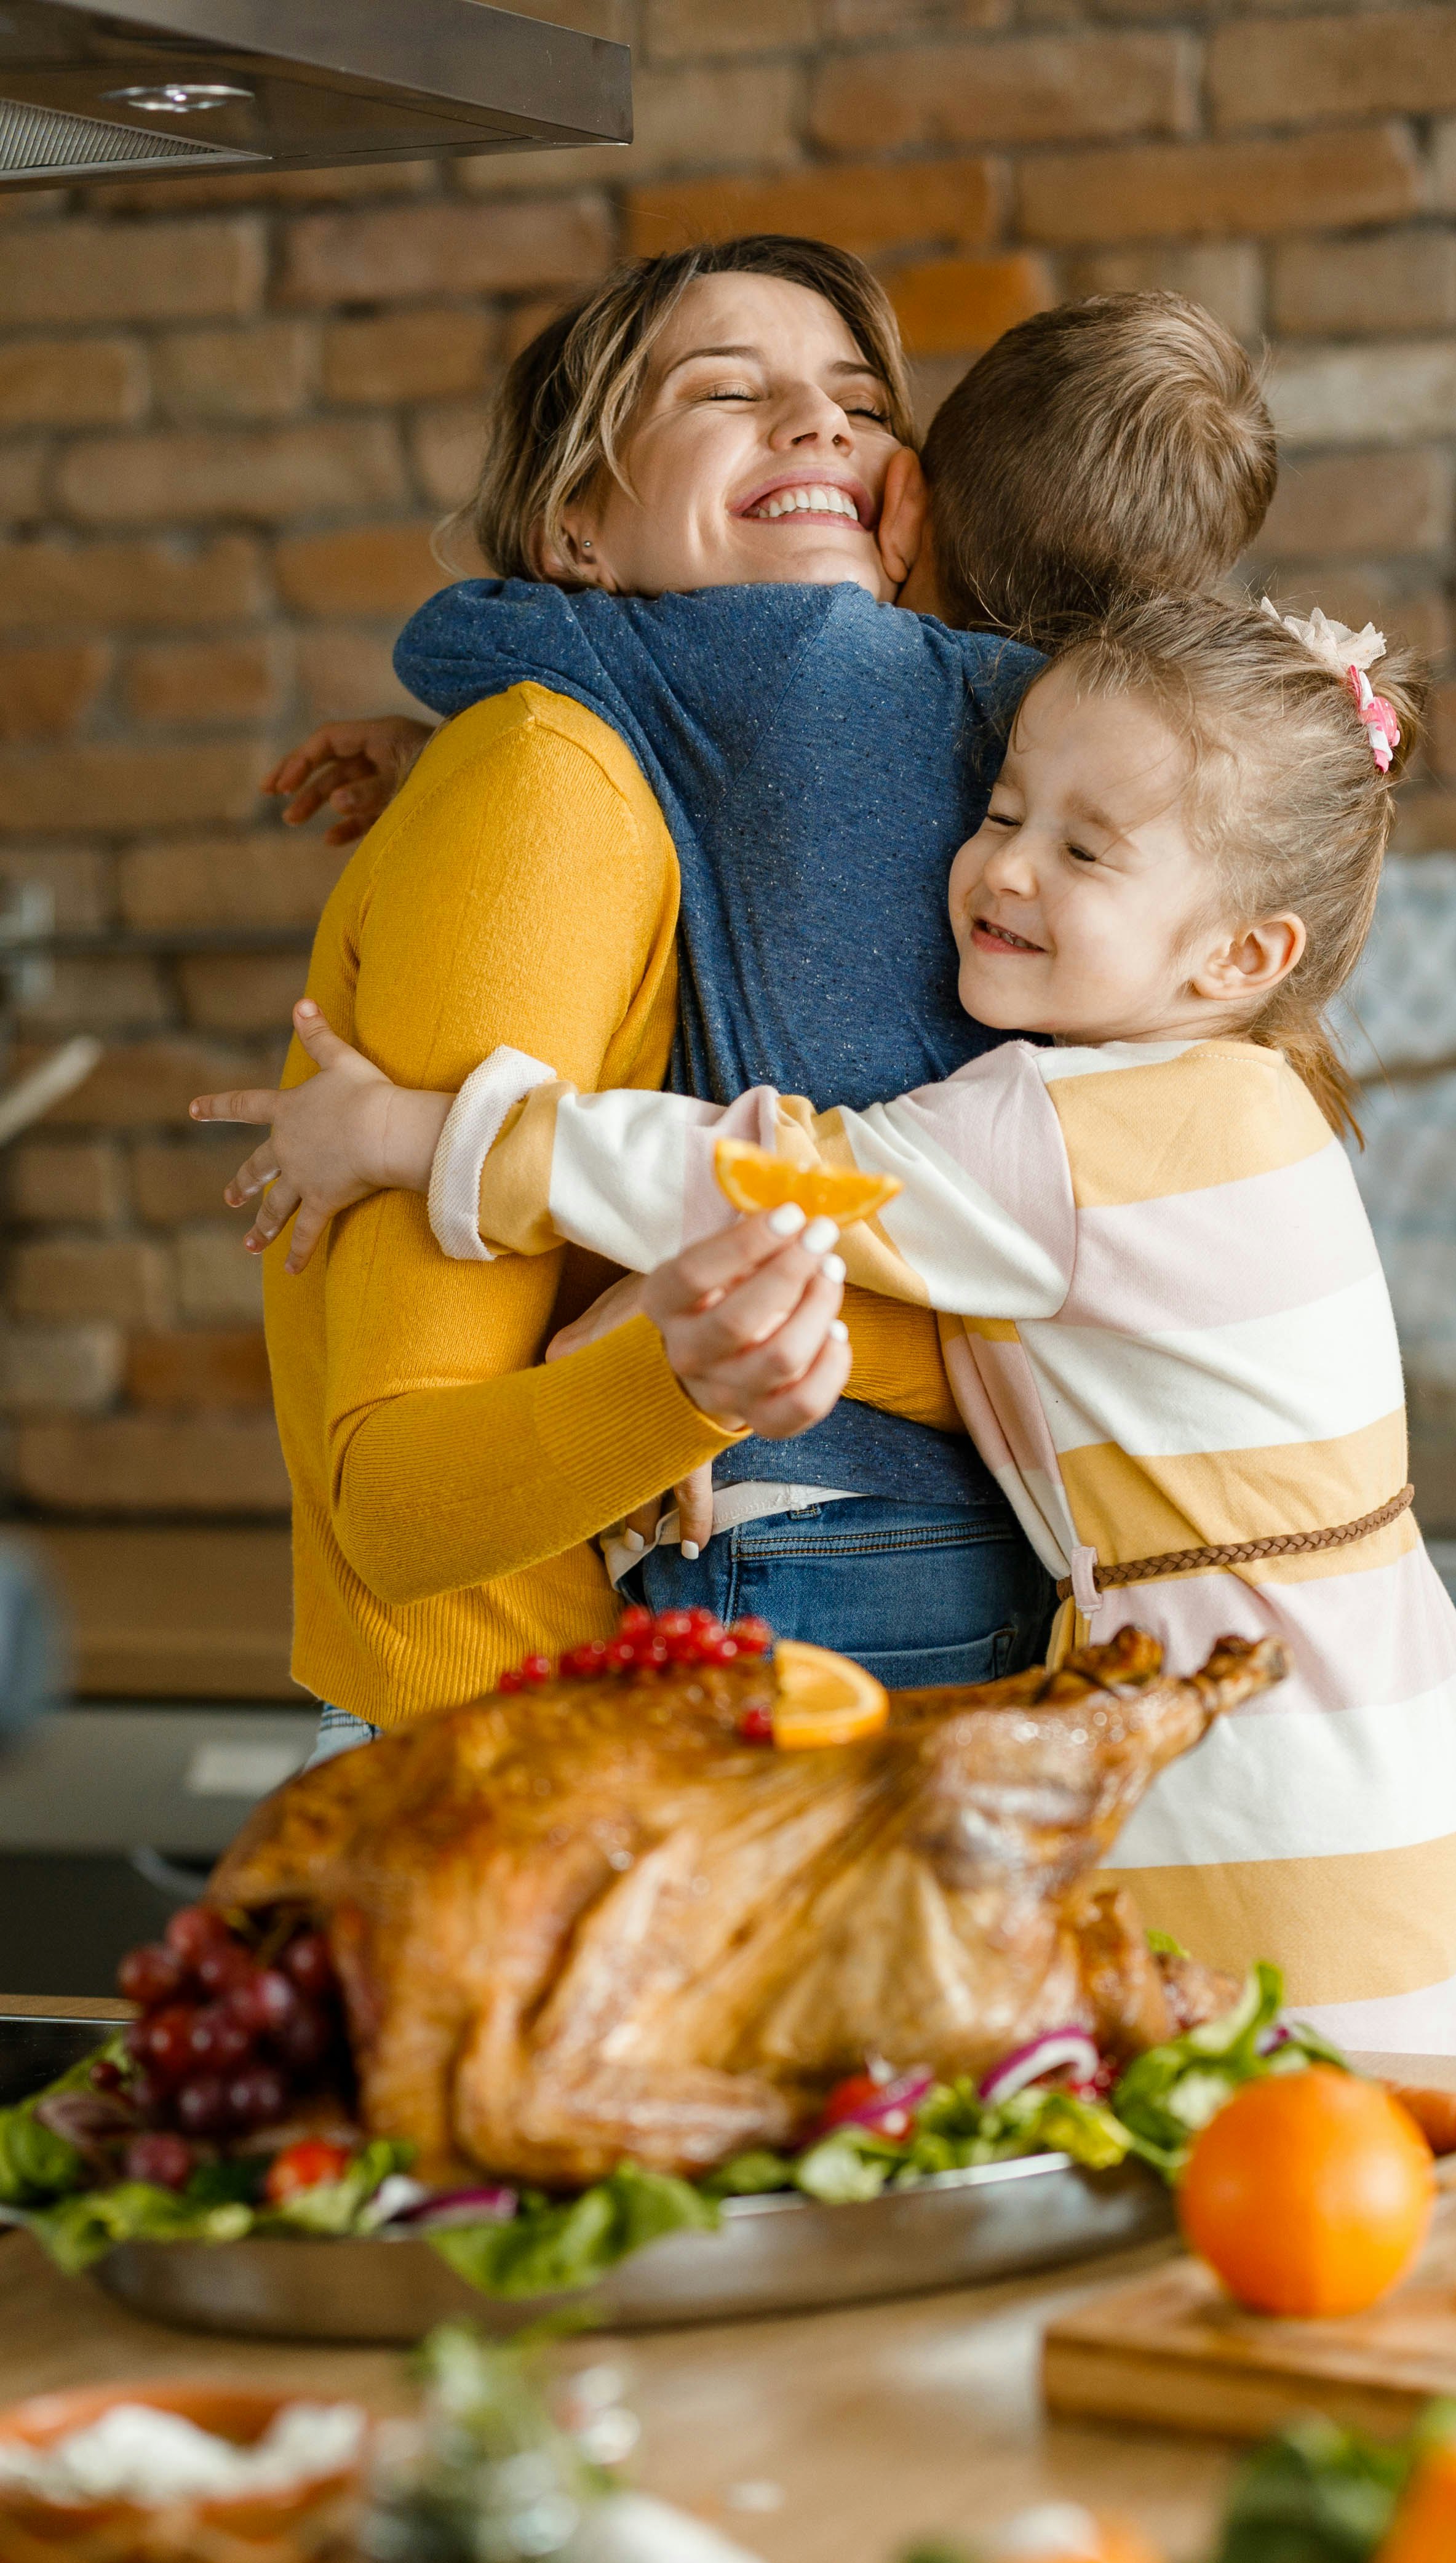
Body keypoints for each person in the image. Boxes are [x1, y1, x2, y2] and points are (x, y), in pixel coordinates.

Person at [198, 595, 1456, 2059]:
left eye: (1084, 850)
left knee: (1259, 2189)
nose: (1006, 865)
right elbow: (987, 1340)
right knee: (1400, 2201)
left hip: (1262, 1781)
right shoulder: (1260, 1103)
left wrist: (417, 1131)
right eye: (1006, 807)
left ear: (1238, 954)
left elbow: (759, 1162)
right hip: (1392, 1739)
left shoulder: (1064, 1134)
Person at [242, 260, 1278, 1734]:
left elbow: (498, 635)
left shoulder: (587, 739)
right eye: (728, 389)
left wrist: (451, 718)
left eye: (862, 408)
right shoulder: (1076, 763)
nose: (817, 424)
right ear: (574, 519)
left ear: (906, 501)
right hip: (1019, 1542)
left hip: (758, 1543)